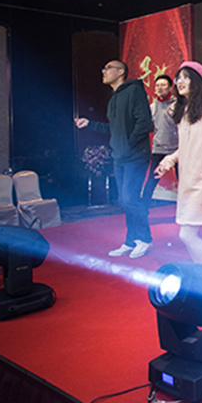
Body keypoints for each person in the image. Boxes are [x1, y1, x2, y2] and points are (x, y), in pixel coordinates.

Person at [75, 60, 154, 258]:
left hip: (135, 155)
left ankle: (145, 238)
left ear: (120, 72)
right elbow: (114, 128)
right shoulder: (113, 98)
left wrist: (128, 145)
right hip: (119, 157)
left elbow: (145, 123)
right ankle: (131, 240)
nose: (103, 71)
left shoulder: (134, 91)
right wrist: (89, 124)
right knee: (124, 200)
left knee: (130, 198)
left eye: (108, 68)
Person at [154, 62, 202, 265]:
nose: (180, 81)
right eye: (179, 78)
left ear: (198, 81)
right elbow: (187, 146)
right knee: (187, 235)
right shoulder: (184, 112)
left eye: (186, 77)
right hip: (188, 181)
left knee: (187, 234)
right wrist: (169, 160)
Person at [143, 74, 179, 206]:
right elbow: (150, 127)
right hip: (159, 148)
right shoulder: (152, 107)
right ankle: (143, 206)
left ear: (170, 88)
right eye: (157, 85)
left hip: (177, 149)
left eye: (163, 85)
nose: (160, 88)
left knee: (183, 180)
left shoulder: (178, 105)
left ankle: (186, 207)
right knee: (152, 179)